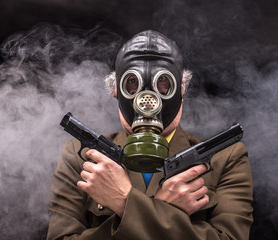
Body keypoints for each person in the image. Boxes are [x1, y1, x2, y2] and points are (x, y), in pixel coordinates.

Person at [47, 30, 253, 240]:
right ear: (116, 91)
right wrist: (163, 212)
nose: (147, 99)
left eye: (163, 84)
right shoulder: (81, 156)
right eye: (132, 84)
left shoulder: (225, 157)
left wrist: (125, 202)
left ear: (181, 89)